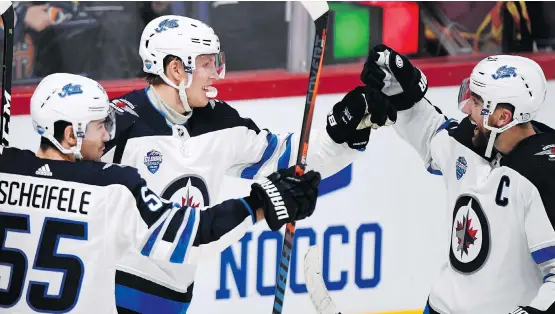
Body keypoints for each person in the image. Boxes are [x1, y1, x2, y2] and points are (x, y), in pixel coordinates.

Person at [102, 15, 397, 313]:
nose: (214, 74)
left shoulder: (220, 122)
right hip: (109, 292)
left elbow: (295, 159)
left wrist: (345, 128)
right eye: (205, 64)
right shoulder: (117, 125)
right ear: (176, 69)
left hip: (174, 299)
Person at [0, 73, 322, 313]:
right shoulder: (111, 188)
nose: (107, 135)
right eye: (99, 125)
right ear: (70, 135)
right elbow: (192, 235)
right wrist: (259, 204)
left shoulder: (5, 171)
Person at [361, 44, 555, 314]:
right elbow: (432, 137)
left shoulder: (543, 175)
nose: (467, 110)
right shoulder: (475, 140)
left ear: (503, 116)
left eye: (476, 103)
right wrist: (399, 94)